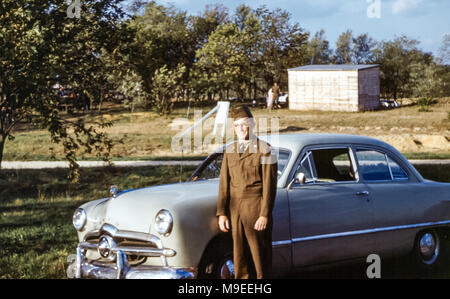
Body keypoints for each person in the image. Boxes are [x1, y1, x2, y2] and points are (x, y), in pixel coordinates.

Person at [216, 105, 278, 279]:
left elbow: (270, 185)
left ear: (252, 125)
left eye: (244, 124)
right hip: (235, 211)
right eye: (236, 126)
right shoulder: (229, 151)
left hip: (255, 209)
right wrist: (222, 213)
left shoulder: (266, 149)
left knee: (260, 259)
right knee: (240, 257)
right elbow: (224, 185)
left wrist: (264, 214)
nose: (241, 129)